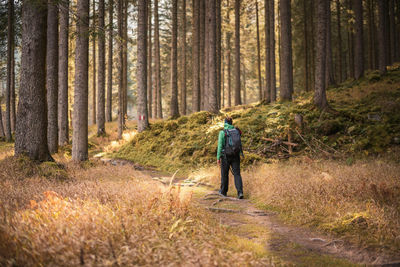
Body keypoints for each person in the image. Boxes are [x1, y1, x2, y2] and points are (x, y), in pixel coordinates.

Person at [217, 117, 244, 199]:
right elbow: (239, 144)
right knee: (237, 174)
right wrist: (240, 154)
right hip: (236, 155)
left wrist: (218, 157)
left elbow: (220, 146)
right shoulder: (236, 131)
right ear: (231, 123)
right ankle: (240, 192)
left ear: (225, 123)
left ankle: (223, 192)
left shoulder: (222, 132)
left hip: (225, 156)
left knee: (224, 174)